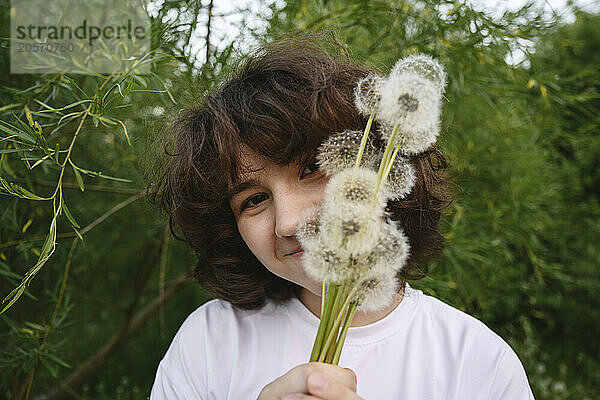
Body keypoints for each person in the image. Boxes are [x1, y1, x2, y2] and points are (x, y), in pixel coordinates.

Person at [148, 36, 535, 399]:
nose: (288, 222)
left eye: (313, 168)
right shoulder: (209, 342)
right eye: (253, 200)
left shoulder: (477, 362)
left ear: (382, 167)